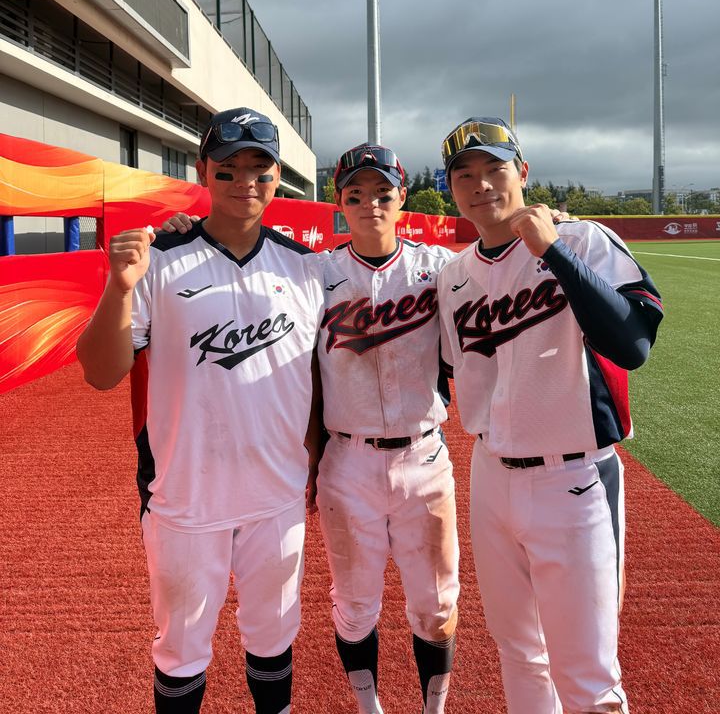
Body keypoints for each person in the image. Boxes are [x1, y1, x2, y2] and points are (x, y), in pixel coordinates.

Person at [77, 107, 324, 714]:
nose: (246, 182)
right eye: (229, 167)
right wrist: (119, 285)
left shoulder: (306, 268)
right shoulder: (159, 259)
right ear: (202, 171)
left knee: (274, 640)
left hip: (277, 496)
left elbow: (315, 379)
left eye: (261, 169)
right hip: (185, 498)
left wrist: (317, 461)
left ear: (278, 177)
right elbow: (100, 372)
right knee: (181, 653)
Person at [435, 117, 664, 714]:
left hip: (575, 477)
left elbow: (633, 344)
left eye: (494, 168)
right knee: (519, 653)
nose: (481, 185)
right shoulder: (453, 276)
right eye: (465, 175)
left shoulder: (582, 240)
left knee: (588, 677)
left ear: (523, 172)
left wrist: (552, 251)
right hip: (490, 474)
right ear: (451, 188)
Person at [310, 144, 460, 714]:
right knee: (353, 607)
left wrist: (558, 229)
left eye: (382, 192)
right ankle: (368, 707)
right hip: (348, 461)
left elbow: (503, 261)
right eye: (356, 194)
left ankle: (432, 710)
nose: (369, 203)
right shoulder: (318, 273)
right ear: (339, 202)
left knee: (437, 606)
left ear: (402, 198)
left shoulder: (439, 267)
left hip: (424, 458)